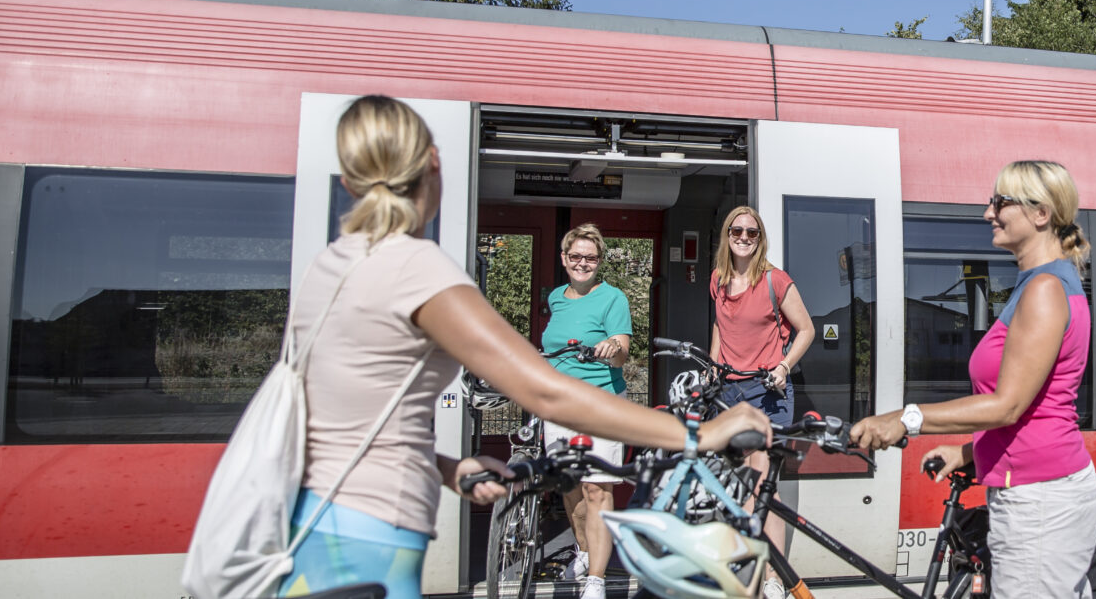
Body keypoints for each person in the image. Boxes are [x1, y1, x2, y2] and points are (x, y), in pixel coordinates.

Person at [284, 95, 768, 598]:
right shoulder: (419, 270)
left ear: (348, 182)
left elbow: (348, 420)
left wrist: (448, 467)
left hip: (312, 518)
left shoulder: (329, 268)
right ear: (432, 166)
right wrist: (698, 436)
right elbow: (548, 393)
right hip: (376, 532)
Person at [850, 160, 1096, 599]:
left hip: (1038, 502)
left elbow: (1008, 405)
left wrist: (904, 419)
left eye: (1000, 202)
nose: (988, 213)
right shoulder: (1042, 284)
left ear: (1041, 214)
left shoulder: (1044, 289)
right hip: (1035, 491)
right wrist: (971, 451)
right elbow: (1036, 404)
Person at [707, 204, 815, 593]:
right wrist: (712, 368)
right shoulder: (718, 279)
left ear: (760, 238)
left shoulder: (775, 281)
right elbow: (721, 328)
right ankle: (754, 568)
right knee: (742, 481)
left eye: (752, 233)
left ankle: (772, 578)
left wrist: (784, 366)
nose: (744, 238)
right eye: (737, 231)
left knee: (764, 483)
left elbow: (807, 330)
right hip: (730, 391)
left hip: (768, 391)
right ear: (727, 235)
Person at [538, 222, 633, 599]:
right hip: (560, 405)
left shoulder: (613, 298)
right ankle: (583, 550)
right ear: (564, 259)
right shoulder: (556, 299)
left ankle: (595, 579)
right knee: (572, 491)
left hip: (601, 403)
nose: (582, 263)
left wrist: (613, 350)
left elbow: (623, 349)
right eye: (575, 256)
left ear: (600, 261)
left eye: (590, 257)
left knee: (597, 490)